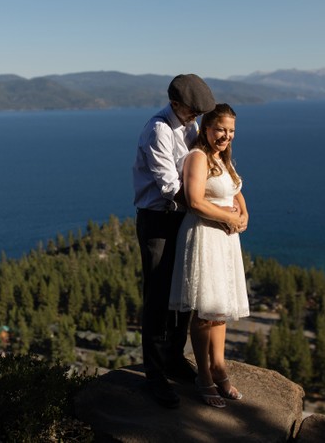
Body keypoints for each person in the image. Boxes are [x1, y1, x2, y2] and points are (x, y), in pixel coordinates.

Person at [132, 73, 216, 408]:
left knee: (184, 290)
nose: (196, 116)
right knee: (157, 295)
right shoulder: (158, 130)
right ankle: (154, 374)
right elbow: (169, 185)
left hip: (183, 216)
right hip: (158, 219)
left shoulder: (189, 126)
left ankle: (174, 357)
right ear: (175, 103)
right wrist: (205, 204)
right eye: (192, 110)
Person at [168, 103, 250, 408]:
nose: (226, 136)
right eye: (220, 129)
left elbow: (235, 190)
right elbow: (194, 201)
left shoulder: (222, 159)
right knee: (204, 312)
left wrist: (243, 212)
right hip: (204, 236)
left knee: (220, 308)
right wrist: (229, 218)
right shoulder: (198, 157)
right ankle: (203, 375)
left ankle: (219, 368)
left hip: (224, 241)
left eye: (231, 131)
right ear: (206, 128)